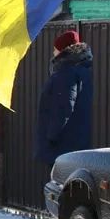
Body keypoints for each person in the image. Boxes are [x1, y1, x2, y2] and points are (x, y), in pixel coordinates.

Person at [35, 29, 94, 167]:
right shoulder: (81, 70)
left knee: (60, 183)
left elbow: (63, 107)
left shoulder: (66, 73)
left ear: (62, 51)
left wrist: (51, 135)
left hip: (62, 144)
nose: (53, 53)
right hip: (75, 140)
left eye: (55, 50)